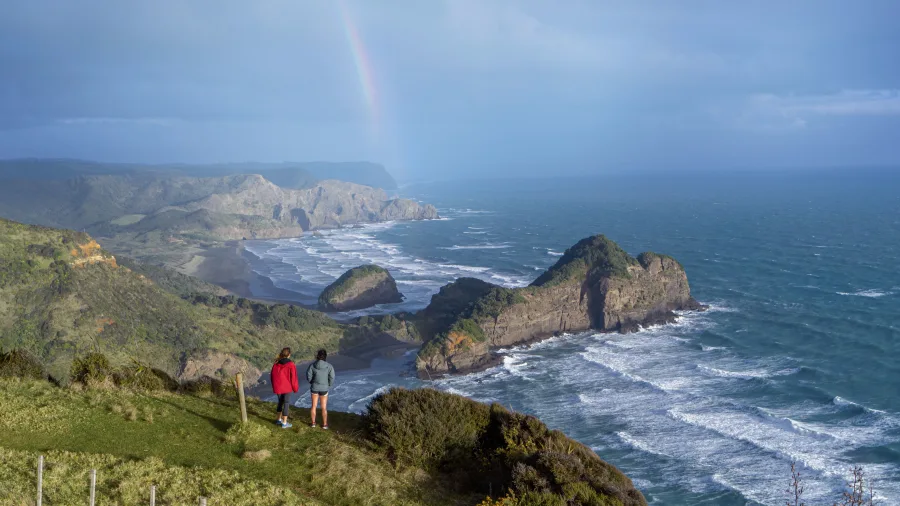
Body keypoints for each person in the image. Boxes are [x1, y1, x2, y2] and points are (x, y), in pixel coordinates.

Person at [306, 348, 335, 429]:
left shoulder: (312, 366)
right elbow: (332, 377)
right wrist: (328, 385)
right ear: (325, 356)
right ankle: (325, 425)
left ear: (317, 356)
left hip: (314, 388)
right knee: (324, 407)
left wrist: (312, 382)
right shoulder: (329, 366)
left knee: (313, 406)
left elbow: (308, 376)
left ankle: (313, 423)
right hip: (324, 388)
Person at [270, 347, 298, 428]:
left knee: (280, 402)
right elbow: (294, 378)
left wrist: (274, 386)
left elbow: (272, 376)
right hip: (287, 387)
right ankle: (284, 423)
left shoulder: (276, 363)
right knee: (286, 403)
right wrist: (295, 388)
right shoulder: (291, 365)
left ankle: (278, 420)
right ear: (289, 355)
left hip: (278, 386)